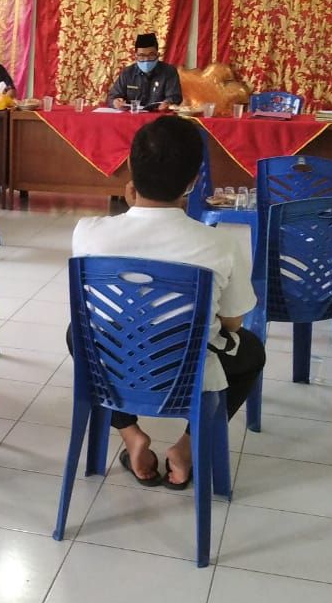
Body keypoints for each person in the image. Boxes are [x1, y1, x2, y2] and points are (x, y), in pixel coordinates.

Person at [71, 116, 264, 488]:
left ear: (130, 168)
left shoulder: (88, 233)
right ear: (192, 182)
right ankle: (188, 447)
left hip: (115, 367)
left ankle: (130, 433)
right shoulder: (219, 244)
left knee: (76, 336)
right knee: (251, 353)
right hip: (187, 374)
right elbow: (234, 323)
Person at [106, 33, 183, 111]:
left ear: (158, 55)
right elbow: (112, 97)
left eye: (151, 55)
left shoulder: (169, 71)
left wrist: (168, 103)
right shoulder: (128, 72)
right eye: (142, 56)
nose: (146, 59)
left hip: (159, 117)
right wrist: (115, 102)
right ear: (135, 56)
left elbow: (175, 97)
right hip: (132, 116)